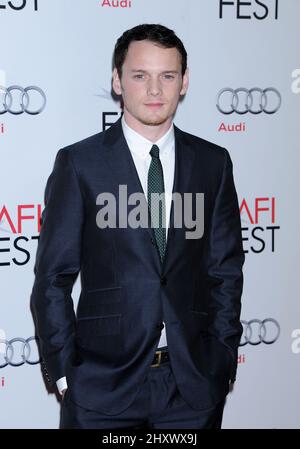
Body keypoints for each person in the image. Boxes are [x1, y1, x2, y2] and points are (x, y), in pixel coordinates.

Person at [31, 23, 244, 429]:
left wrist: (223, 360)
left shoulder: (213, 164)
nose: (154, 90)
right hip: (101, 388)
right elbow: (53, 278)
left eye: (167, 76)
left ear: (184, 83)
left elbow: (225, 271)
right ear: (117, 80)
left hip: (192, 389)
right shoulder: (80, 164)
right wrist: (64, 371)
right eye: (140, 75)